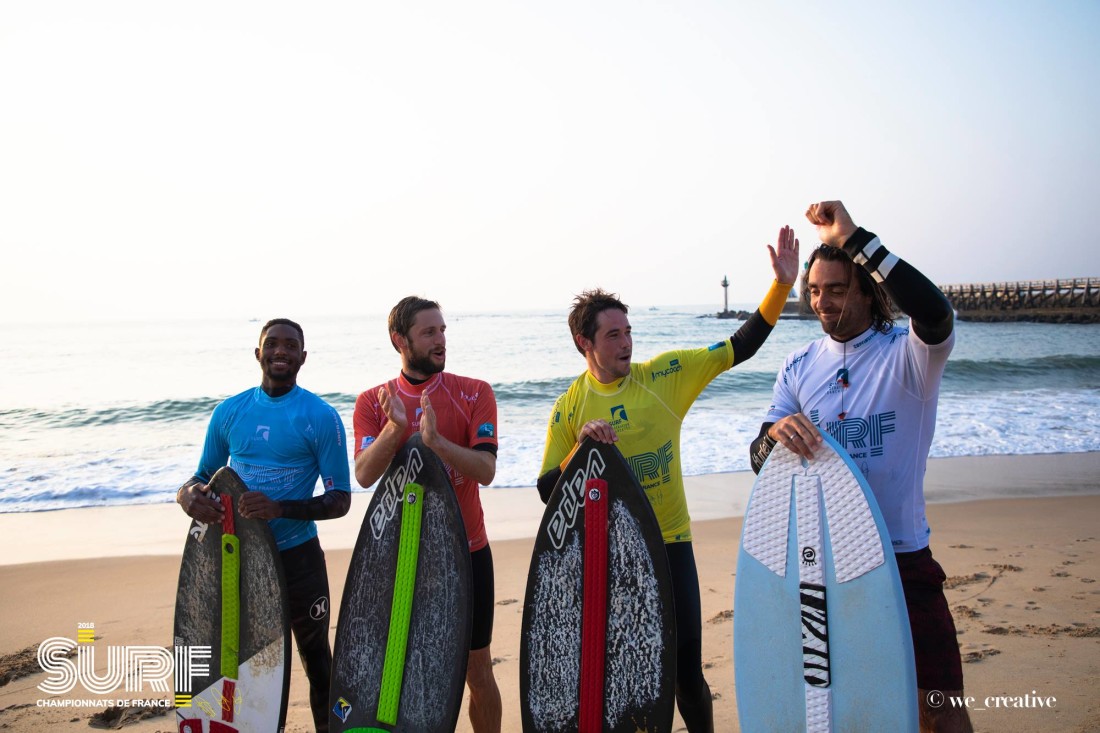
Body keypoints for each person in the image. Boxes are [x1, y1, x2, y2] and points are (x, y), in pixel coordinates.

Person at [538, 227, 800, 733]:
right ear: (584, 343)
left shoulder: (663, 377)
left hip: (671, 543)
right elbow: (550, 490)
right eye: (613, 335)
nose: (626, 343)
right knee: (628, 675)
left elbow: (737, 347)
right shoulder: (570, 407)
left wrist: (782, 286)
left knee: (685, 675)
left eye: (628, 331)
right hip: (611, 554)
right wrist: (580, 449)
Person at [748, 201, 972, 733]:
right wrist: (775, 437)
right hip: (823, 563)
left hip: (902, 557)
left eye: (838, 288)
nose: (823, 302)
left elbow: (936, 311)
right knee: (848, 709)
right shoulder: (798, 366)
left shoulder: (909, 356)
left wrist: (853, 238)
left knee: (939, 712)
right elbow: (759, 460)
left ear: (869, 291)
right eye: (816, 290)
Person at [176, 318, 352, 733]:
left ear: (302, 358)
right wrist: (186, 496)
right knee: (235, 656)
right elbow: (202, 475)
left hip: (298, 558)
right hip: (237, 555)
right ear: (258, 353)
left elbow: (340, 499)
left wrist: (280, 509)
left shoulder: (320, 417)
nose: (280, 352)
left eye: (290, 346)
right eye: (271, 344)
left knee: (316, 661)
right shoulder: (229, 412)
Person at [353, 296, 502, 733]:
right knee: (405, 666)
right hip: (401, 561)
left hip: (468, 552)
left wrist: (436, 443)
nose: (441, 340)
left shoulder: (474, 392)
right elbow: (363, 475)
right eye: (429, 332)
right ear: (400, 340)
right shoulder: (373, 402)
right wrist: (396, 428)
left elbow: (487, 470)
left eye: (443, 331)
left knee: (478, 671)